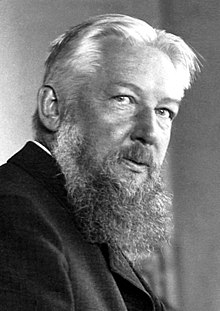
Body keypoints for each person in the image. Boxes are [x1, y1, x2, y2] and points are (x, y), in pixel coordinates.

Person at [0, 14, 200, 310]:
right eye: (124, 99)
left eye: (164, 111)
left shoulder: (85, 214)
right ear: (53, 109)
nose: (149, 133)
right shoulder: (14, 211)